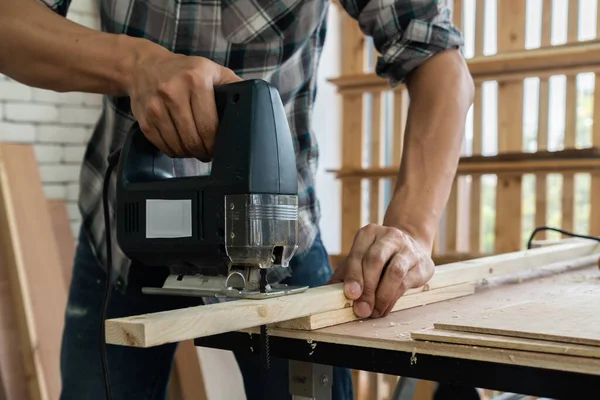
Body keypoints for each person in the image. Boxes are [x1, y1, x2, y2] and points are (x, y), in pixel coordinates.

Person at [0, 0, 474, 399]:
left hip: (279, 242)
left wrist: (409, 232)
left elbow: (441, 62)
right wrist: (137, 66)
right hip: (123, 239)